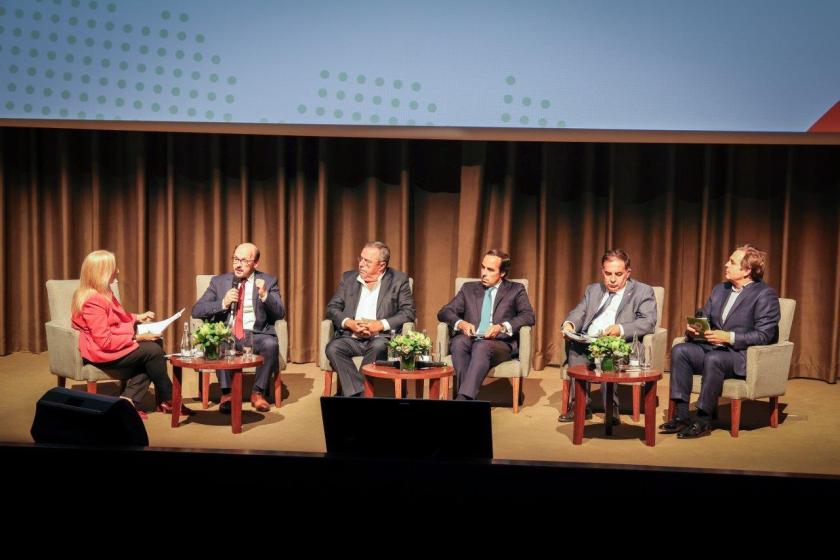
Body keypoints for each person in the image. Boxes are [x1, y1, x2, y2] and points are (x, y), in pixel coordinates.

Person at [660, 244, 780, 438]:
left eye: (732, 262)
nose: (726, 264)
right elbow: (704, 316)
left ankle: (703, 419)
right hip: (710, 349)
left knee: (714, 359)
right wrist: (695, 328)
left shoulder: (765, 294)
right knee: (680, 350)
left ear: (747, 270)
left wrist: (729, 337)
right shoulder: (720, 289)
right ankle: (681, 416)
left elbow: (764, 335)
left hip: (738, 356)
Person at [71, 250, 192, 419]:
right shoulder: (93, 301)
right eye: (114, 268)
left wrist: (138, 317)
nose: (118, 271)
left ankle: (129, 399)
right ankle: (169, 398)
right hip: (101, 353)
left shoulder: (104, 292)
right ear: (102, 272)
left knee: (154, 346)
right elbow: (104, 341)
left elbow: (117, 317)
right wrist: (138, 337)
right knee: (154, 352)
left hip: (111, 345)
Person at [558, 249, 657, 423]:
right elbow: (580, 312)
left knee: (607, 353)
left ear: (628, 273)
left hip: (618, 345)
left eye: (618, 274)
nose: (612, 279)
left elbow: (648, 322)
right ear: (602, 271)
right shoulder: (593, 289)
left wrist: (620, 329)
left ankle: (611, 409)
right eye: (608, 273)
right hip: (589, 341)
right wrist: (570, 324)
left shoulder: (643, 291)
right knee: (575, 347)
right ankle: (581, 407)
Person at [192, 242, 285, 413]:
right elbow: (196, 310)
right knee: (219, 342)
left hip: (256, 334)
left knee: (271, 344)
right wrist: (223, 303)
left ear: (255, 263)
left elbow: (280, 313)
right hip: (228, 333)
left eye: (244, 260)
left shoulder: (268, 281)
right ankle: (227, 394)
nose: (238, 264)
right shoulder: (219, 282)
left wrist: (265, 295)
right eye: (235, 259)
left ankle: (257, 393)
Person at [437, 249, 535, 401]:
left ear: (502, 273)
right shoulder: (468, 289)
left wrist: (501, 327)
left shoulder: (515, 290)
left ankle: (462, 399)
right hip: (470, 339)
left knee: (482, 346)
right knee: (458, 342)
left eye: (490, 270)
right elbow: (444, 312)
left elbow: (528, 316)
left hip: (499, 344)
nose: (484, 273)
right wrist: (461, 323)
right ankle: (466, 399)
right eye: (483, 267)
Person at [325, 241, 416, 397]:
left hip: (379, 337)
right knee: (333, 348)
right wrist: (349, 323)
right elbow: (332, 308)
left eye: (367, 261)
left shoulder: (399, 280)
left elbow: (408, 312)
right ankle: (361, 394)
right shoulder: (348, 278)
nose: (361, 264)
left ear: (381, 266)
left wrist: (380, 325)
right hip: (351, 337)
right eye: (360, 259)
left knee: (379, 346)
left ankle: (355, 395)